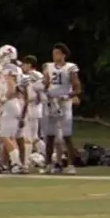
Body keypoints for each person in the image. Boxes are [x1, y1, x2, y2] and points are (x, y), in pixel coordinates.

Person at [42, 43, 81, 174]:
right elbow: (45, 84)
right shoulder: (48, 66)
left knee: (66, 135)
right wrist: (44, 92)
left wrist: (66, 96)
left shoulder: (70, 68)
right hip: (51, 102)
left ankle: (71, 165)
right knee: (50, 135)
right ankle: (48, 164)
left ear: (63, 54)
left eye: (57, 53)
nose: (55, 56)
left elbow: (77, 88)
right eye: (53, 54)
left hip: (64, 103)